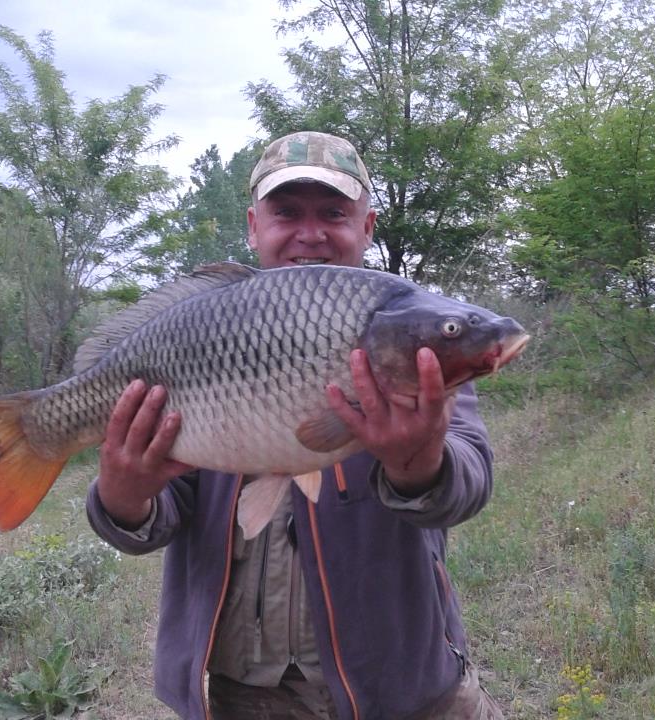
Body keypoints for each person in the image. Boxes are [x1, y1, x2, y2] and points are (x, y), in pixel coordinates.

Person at [86, 131, 504, 720]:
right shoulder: (206, 328)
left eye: (334, 212)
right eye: (287, 213)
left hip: (400, 689)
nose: (311, 233)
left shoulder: (405, 332)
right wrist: (123, 498)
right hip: (237, 693)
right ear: (254, 225)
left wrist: (421, 467)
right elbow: (150, 522)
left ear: (367, 225)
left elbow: (468, 482)